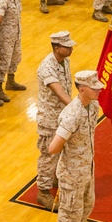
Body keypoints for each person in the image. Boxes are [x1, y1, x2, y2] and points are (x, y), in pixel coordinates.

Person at [47, 70, 104, 222]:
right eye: (94, 87)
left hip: (86, 167)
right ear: (82, 90)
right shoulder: (72, 114)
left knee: (87, 203)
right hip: (72, 172)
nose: (99, 89)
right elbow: (53, 148)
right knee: (70, 211)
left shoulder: (93, 106)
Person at [34, 32, 74, 210]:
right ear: (57, 48)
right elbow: (59, 91)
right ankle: (43, 191)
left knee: (61, 151)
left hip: (62, 115)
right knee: (48, 155)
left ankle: (56, 178)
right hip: (49, 119)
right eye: (67, 46)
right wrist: (77, 107)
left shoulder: (65, 62)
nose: (71, 48)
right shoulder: (47, 67)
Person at [0, 0, 25, 96]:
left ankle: (11, 81)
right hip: (5, 37)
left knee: (15, 58)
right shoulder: (3, 0)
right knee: (4, 61)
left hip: (15, 34)